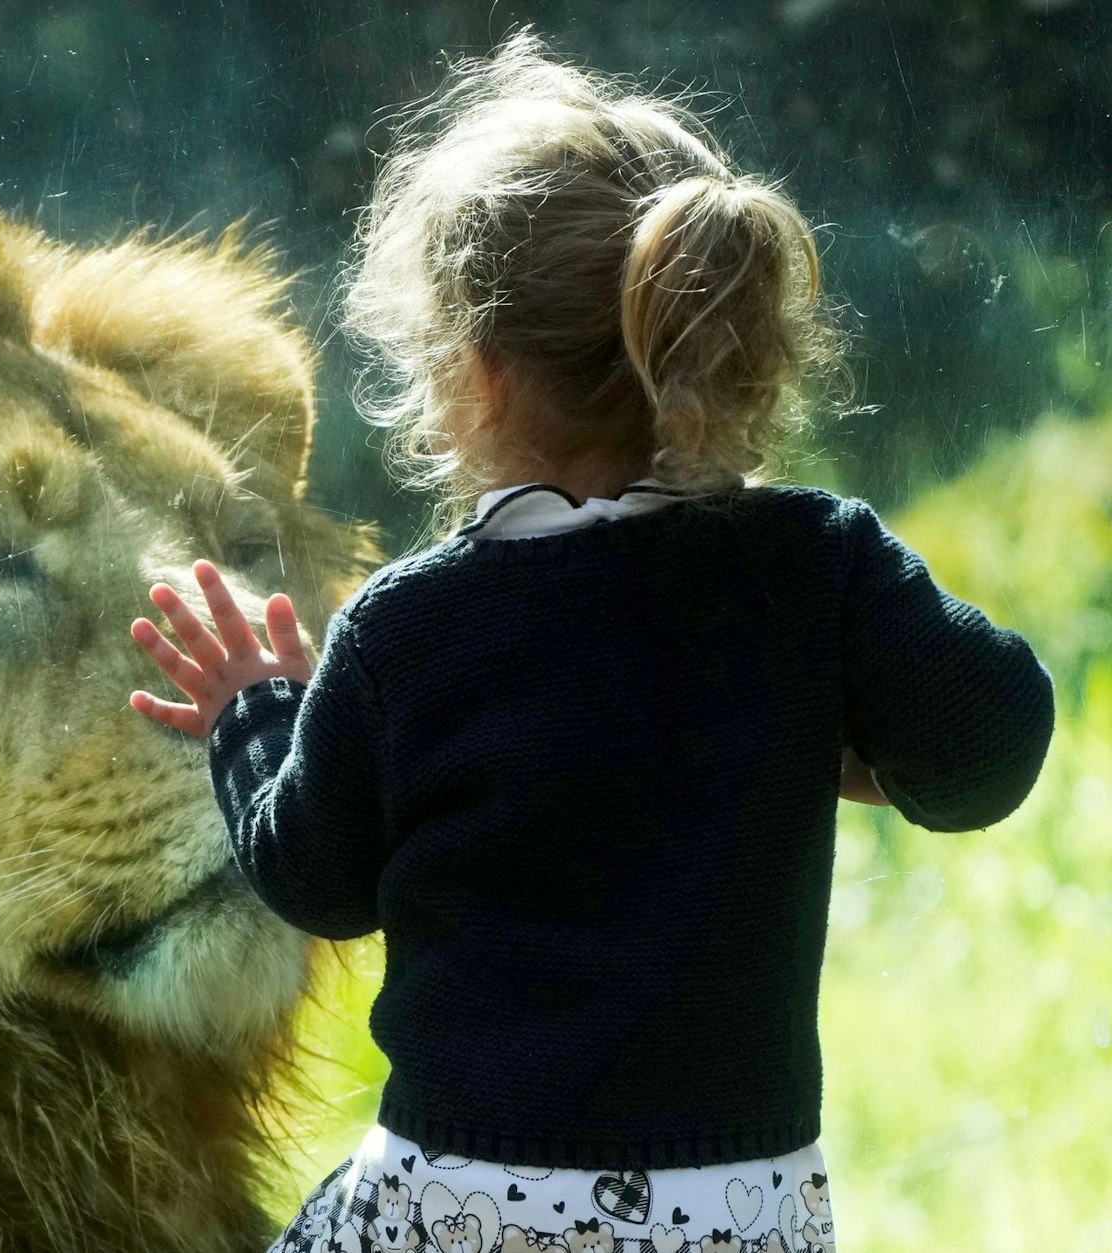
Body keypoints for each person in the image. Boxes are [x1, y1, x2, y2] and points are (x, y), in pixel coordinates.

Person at [127, 32, 1054, 1253]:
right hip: (738, 1210)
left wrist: (254, 709)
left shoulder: (411, 627)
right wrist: (857, 746)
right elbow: (989, 741)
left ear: (477, 376)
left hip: (471, 1198)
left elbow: (316, 875)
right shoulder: (812, 568)